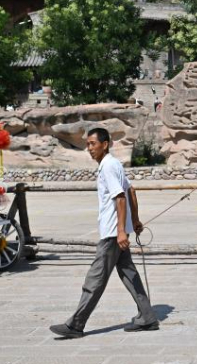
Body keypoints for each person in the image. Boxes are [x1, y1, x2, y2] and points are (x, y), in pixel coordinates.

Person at [50, 128, 158, 338]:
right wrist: (134, 221)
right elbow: (131, 191)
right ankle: (147, 316)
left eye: (93, 143)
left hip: (112, 234)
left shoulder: (108, 166)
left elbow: (120, 197)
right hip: (118, 231)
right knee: (129, 274)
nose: (89, 148)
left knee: (95, 279)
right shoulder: (114, 164)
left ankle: (75, 325)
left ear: (105, 144)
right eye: (88, 144)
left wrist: (120, 232)